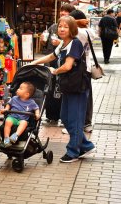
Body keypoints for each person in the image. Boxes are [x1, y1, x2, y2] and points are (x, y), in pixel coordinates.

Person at [31, 16, 95, 163]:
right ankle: (86, 145)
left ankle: (73, 152)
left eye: (66, 26)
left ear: (72, 29)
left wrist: (54, 71)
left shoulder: (75, 43)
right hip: (69, 87)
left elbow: (67, 66)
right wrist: (34, 62)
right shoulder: (64, 44)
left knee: (75, 119)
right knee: (65, 117)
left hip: (77, 87)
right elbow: (51, 56)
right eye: (60, 26)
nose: (62, 29)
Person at [41, 4, 76, 123]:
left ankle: (64, 117)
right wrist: (43, 39)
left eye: (66, 14)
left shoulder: (74, 33)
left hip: (63, 64)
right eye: (61, 14)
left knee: (61, 90)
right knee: (50, 89)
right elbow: (47, 48)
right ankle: (51, 115)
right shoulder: (53, 27)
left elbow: (71, 45)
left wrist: (60, 43)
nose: (61, 28)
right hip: (52, 61)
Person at [69, 10, 97, 133]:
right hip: (87, 68)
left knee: (77, 97)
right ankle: (87, 123)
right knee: (86, 95)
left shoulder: (78, 32)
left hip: (78, 68)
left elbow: (66, 25)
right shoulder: (90, 31)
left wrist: (74, 22)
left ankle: (80, 124)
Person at [1, 82, 40, 148]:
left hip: (22, 119)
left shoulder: (31, 102)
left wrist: (37, 114)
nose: (18, 89)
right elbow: (9, 104)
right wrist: (6, 109)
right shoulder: (14, 98)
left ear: (27, 94)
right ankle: (6, 139)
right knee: (7, 121)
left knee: (24, 123)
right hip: (13, 117)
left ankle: (15, 136)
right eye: (19, 88)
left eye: (20, 88)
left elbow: (36, 108)